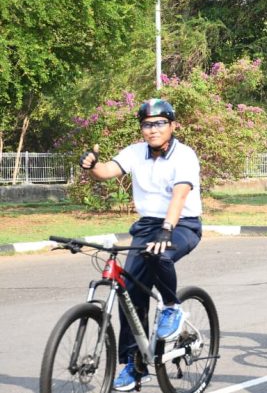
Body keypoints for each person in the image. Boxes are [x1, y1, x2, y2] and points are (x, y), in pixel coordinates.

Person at [79, 98, 202, 392]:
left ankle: (172, 307)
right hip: (147, 226)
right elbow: (108, 170)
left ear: (172, 125)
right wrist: (92, 165)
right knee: (130, 290)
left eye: (159, 123)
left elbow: (180, 196)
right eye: (147, 124)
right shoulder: (136, 152)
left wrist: (167, 229)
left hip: (182, 223)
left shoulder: (184, 155)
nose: (152, 129)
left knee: (161, 255)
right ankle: (134, 365)